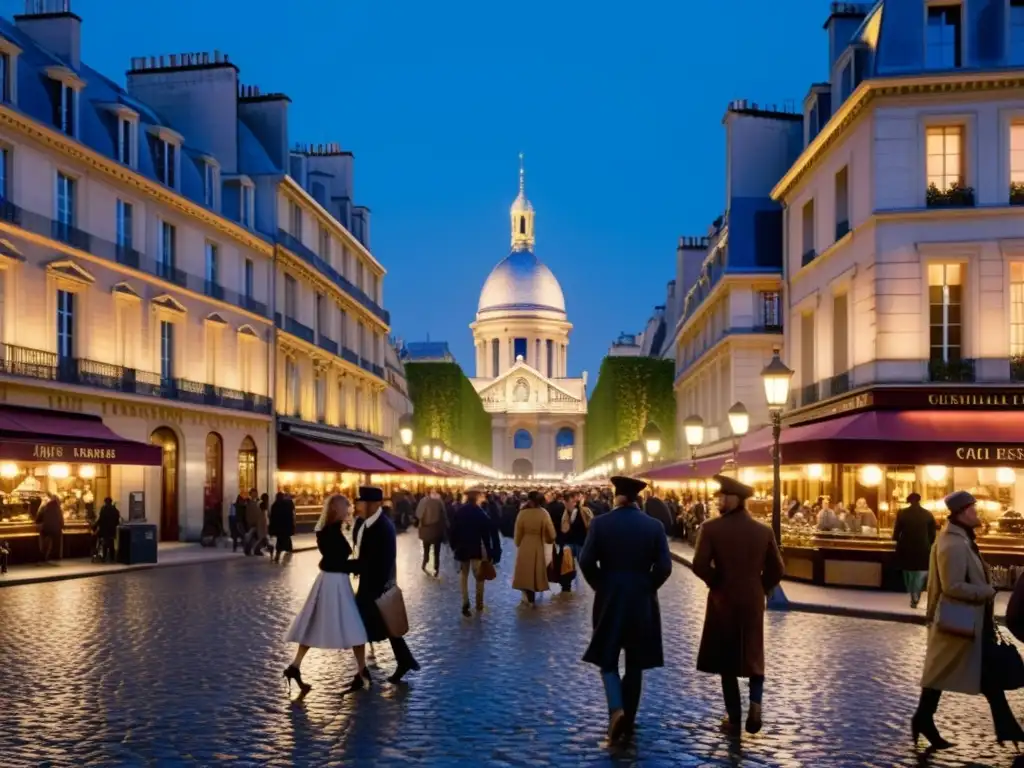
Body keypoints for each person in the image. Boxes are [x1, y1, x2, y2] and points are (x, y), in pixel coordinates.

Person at [913, 490, 1024, 750]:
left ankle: (924, 719)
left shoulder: (962, 539)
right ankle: (923, 719)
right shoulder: (952, 544)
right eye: (973, 509)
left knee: (980, 676)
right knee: (946, 674)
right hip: (960, 621)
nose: (978, 513)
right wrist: (986, 591)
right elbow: (952, 586)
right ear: (962, 513)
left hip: (970, 621)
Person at [579, 476, 672, 744]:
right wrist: (648, 586)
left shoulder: (600, 523)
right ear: (637, 499)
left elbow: (586, 561)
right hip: (641, 599)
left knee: (607, 658)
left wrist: (601, 585)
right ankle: (629, 718)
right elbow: (665, 567)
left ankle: (616, 708)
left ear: (615, 497)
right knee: (635, 662)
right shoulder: (654, 526)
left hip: (610, 597)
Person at [693, 474, 785, 737]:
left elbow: (699, 565)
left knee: (727, 659)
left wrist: (716, 581)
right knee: (754, 652)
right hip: (753, 598)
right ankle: (756, 701)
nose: (719, 501)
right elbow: (778, 568)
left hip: (724, 599)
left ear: (735, 499)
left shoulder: (711, 528)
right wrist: (761, 586)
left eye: (722, 497)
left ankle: (734, 716)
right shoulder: (763, 530)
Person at [283, 494, 369, 696]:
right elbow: (333, 561)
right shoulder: (329, 531)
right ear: (336, 509)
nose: (349, 509)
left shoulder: (331, 529)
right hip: (334, 582)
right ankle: (362, 670)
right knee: (353, 624)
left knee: (317, 623)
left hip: (334, 581)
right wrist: (360, 565)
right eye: (346, 506)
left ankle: (295, 667)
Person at [348, 486, 420, 685]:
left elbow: (376, 561)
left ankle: (362, 672)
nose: (357, 505)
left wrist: (343, 566)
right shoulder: (368, 523)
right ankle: (403, 660)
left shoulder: (381, 526)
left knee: (360, 625)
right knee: (383, 626)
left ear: (373, 504)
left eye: (360, 502)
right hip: (371, 585)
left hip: (375, 587)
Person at [449, 489, 498, 616]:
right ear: (476, 499)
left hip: (462, 549)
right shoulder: (480, 513)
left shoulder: (459, 512)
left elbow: (452, 531)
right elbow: (486, 535)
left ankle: (465, 601)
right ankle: (479, 604)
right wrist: (489, 551)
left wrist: (453, 546)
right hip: (476, 549)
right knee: (479, 577)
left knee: (464, 576)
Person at [893, 492, 936, 608]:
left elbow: (896, 533)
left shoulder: (902, 513)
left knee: (909, 572)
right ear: (919, 501)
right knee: (920, 573)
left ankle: (912, 594)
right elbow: (933, 534)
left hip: (906, 548)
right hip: (923, 548)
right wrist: (929, 543)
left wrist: (897, 540)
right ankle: (916, 595)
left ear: (909, 501)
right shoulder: (928, 514)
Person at [513, 491, 557, 605]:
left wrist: (518, 543)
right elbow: (552, 534)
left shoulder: (522, 514)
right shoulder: (544, 514)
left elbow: (518, 534)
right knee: (535, 572)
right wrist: (548, 541)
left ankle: (526, 595)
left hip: (524, 544)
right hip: (538, 544)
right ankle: (532, 596)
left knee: (525, 572)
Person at [416, 490, 447, 577]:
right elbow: (444, 514)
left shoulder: (423, 501)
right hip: (436, 529)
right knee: (437, 551)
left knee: (426, 548)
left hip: (426, 529)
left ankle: (425, 563)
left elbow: (418, 514)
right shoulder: (439, 501)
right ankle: (436, 568)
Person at [269, 492, 296, 564]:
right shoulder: (286, 505)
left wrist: (272, 529)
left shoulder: (275, 505)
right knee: (285, 539)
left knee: (280, 540)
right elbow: (290, 516)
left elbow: (272, 518)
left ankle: (279, 554)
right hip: (286, 527)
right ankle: (286, 552)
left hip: (278, 527)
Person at [37, 493, 64, 563]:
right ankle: (56, 556)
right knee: (58, 536)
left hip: (46, 528)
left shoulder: (44, 507)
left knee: (43, 537)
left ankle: (42, 553)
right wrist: (60, 526)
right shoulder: (59, 509)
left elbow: (38, 519)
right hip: (56, 530)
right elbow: (62, 521)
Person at [95, 497, 121, 564]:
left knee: (105, 544)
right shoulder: (115, 510)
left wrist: (95, 525)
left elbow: (100, 519)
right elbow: (117, 520)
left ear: (105, 502)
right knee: (111, 543)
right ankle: (112, 558)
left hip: (105, 530)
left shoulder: (104, 509)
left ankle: (104, 557)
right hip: (112, 530)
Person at [244, 489, 267, 556]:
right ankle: (248, 550)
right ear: (250, 494)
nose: (255, 495)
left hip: (259, 523)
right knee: (252, 537)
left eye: (255, 493)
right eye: (253, 493)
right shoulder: (249, 503)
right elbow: (249, 513)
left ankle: (257, 550)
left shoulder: (259, 502)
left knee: (258, 537)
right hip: (252, 523)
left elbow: (262, 512)